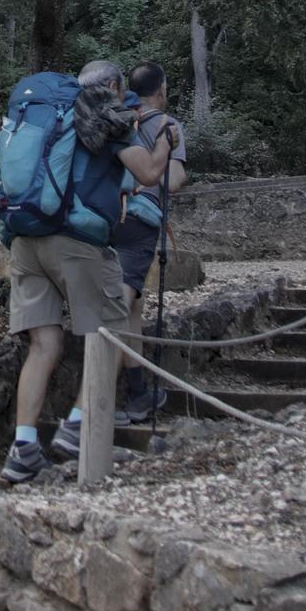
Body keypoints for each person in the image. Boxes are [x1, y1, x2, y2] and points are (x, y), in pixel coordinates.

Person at [1, 59, 180, 484]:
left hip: (26, 239)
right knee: (115, 331)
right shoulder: (107, 114)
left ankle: (22, 448)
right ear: (116, 85)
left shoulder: (47, 116)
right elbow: (150, 173)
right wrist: (166, 142)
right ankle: (79, 426)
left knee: (43, 345)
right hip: (75, 240)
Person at [115, 61, 189, 426]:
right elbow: (172, 180)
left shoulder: (117, 117)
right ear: (161, 89)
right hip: (140, 223)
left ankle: (138, 392)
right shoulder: (167, 124)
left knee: (130, 311)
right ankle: (93, 404)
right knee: (121, 305)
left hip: (106, 217)